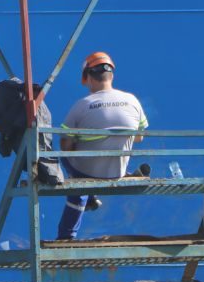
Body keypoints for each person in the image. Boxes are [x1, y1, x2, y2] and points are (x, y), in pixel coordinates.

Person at [56, 51, 148, 240]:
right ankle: (88, 197)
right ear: (111, 76)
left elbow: (65, 145)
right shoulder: (132, 100)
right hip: (117, 171)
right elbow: (139, 137)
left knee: (65, 161)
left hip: (86, 173)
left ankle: (67, 234)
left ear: (87, 78)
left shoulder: (82, 105)